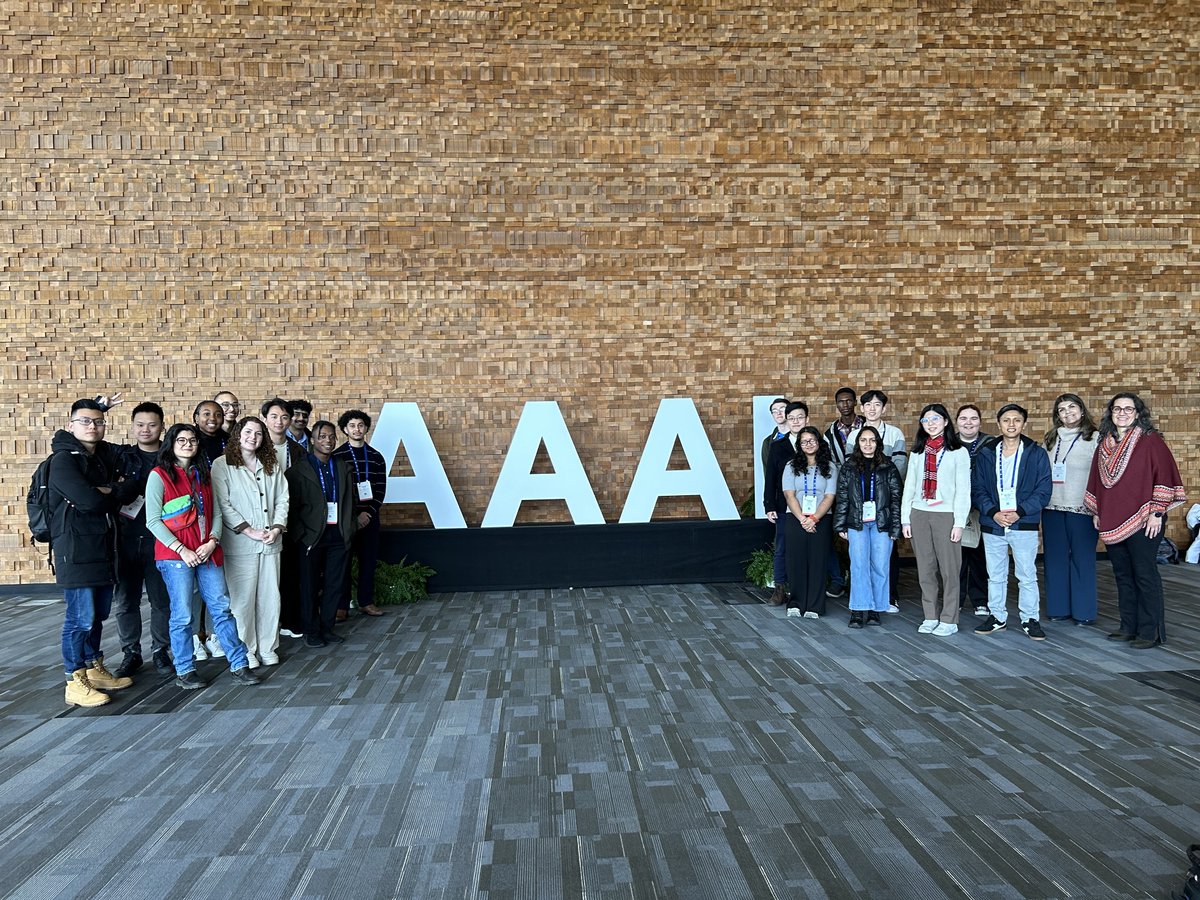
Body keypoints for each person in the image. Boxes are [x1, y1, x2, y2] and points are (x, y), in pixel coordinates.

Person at [144, 423, 261, 690]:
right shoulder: (159, 476)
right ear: (171, 443)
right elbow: (153, 521)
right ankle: (185, 670)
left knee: (221, 609)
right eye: (181, 440)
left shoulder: (202, 474)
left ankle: (239, 664)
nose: (188, 444)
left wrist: (212, 541)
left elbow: (216, 513)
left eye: (193, 440)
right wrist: (181, 549)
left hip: (207, 552)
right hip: (176, 557)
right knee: (183, 615)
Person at [49, 399, 139, 707]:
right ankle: (75, 679)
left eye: (98, 421)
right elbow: (89, 502)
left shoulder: (102, 455)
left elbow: (130, 487)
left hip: (102, 548)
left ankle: (93, 666)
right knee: (80, 618)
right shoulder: (62, 460)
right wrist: (109, 491)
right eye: (86, 421)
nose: (93, 426)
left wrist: (107, 490)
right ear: (71, 424)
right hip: (75, 551)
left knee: (98, 614)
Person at [1084, 393, 1186, 649]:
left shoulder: (1151, 442)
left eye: (1128, 409)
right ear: (1111, 413)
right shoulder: (1104, 444)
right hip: (1112, 519)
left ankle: (1150, 631)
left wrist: (1157, 512)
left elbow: (1164, 477)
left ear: (1138, 413)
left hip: (1145, 519)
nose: (1122, 413)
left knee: (1144, 574)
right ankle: (1128, 626)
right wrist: (1097, 511)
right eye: (1117, 409)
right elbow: (1097, 482)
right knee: (1122, 575)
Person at [212, 416, 290, 668]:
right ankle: (245, 650)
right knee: (241, 600)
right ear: (237, 434)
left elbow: (283, 499)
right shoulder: (222, 465)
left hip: (270, 542)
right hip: (239, 544)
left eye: (258, 433)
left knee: (270, 598)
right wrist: (248, 530)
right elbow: (222, 504)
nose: (252, 437)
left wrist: (277, 528)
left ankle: (268, 646)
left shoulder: (271, 464)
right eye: (247, 432)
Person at [972, 404, 1053, 641]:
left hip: (1023, 522)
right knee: (995, 574)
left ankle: (1030, 619)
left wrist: (1021, 511)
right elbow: (977, 488)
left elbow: (1043, 489)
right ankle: (997, 616)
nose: (1011, 424)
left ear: (1023, 424)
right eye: (1006, 420)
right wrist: (993, 511)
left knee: (1026, 574)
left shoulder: (1035, 453)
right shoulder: (987, 452)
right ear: (998, 424)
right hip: (993, 522)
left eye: (1016, 420)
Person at [111, 401, 174, 678]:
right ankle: (131, 653)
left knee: (161, 600)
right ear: (132, 426)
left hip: (160, 540)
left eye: (152, 424)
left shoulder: (170, 457)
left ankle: (161, 651)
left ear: (162, 426)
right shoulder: (122, 457)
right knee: (126, 600)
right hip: (125, 538)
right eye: (139, 425)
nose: (145, 429)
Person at [285, 420, 358, 647]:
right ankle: (311, 630)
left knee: (334, 584)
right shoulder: (298, 470)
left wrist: (350, 527)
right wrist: (301, 535)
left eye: (331, 437)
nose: (328, 441)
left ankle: (327, 628)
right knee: (309, 586)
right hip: (311, 537)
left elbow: (352, 501)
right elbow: (291, 507)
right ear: (313, 440)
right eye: (322, 437)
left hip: (338, 534)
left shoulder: (342, 466)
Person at [900, 404, 971, 636]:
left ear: (946, 421)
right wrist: (905, 519)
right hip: (919, 513)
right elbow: (909, 486)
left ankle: (949, 618)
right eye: (926, 420)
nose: (930, 423)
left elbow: (963, 490)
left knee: (950, 569)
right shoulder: (918, 453)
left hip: (946, 515)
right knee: (926, 568)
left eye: (935, 419)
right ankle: (930, 615)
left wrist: (959, 522)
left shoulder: (958, 452)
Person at [834, 426, 902, 628]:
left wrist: (896, 527)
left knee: (880, 566)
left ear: (878, 443)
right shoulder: (849, 467)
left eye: (872, 440)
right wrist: (840, 524)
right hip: (857, 522)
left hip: (882, 523)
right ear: (858, 443)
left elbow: (896, 499)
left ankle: (875, 609)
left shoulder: (888, 467)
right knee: (859, 565)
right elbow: (843, 497)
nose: (868, 444)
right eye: (863, 440)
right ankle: (857, 609)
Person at [1042, 394, 1100, 625]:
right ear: (1057, 416)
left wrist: (1099, 509)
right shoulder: (1050, 439)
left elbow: (1102, 475)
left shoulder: (1095, 438)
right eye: (1062, 410)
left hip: (1082, 508)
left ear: (1082, 411)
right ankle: (1058, 608)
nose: (1068, 413)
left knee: (1082, 560)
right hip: (1052, 507)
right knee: (1054, 559)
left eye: (1072, 407)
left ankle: (1084, 612)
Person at [848, 389, 907, 611]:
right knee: (861, 560)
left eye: (877, 404)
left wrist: (889, 497)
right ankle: (864, 603)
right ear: (862, 408)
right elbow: (850, 470)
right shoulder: (855, 436)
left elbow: (899, 468)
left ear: (884, 408)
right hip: (860, 506)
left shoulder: (895, 433)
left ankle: (888, 597)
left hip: (885, 503)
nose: (872, 408)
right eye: (868, 405)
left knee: (886, 556)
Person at [334, 410, 388, 619]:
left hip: (371, 517)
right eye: (352, 425)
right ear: (345, 430)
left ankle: (366, 601)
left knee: (368, 561)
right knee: (343, 562)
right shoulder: (337, 456)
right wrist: (353, 516)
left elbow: (381, 489)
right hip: (346, 519)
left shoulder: (376, 457)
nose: (357, 429)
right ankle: (341, 605)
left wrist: (368, 513)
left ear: (366, 428)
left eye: (361, 425)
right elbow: (336, 491)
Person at [781, 427, 837, 619]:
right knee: (796, 561)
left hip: (821, 518)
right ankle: (795, 603)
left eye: (812, 440)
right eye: (804, 441)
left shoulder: (829, 466)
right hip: (796, 518)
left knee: (817, 562)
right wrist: (803, 518)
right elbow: (789, 495)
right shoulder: (790, 466)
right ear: (799, 445)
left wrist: (814, 518)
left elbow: (829, 496)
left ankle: (814, 605)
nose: (808, 444)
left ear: (819, 442)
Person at [763, 402, 806, 605]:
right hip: (782, 506)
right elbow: (770, 476)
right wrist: (768, 505)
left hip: (810, 506)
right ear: (787, 421)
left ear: (807, 419)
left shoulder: (814, 443)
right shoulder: (778, 446)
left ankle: (805, 589)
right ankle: (780, 589)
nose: (796, 421)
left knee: (808, 547)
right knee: (782, 548)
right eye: (792, 418)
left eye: (800, 417)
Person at [955, 404, 993, 617]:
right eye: (963, 418)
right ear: (956, 421)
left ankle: (980, 599)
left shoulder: (990, 445)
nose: (968, 423)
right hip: (954, 509)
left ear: (980, 421)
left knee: (980, 556)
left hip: (982, 507)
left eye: (973, 418)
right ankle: (956, 598)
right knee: (956, 557)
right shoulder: (949, 444)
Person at [193, 400, 227, 465]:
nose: (212, 418)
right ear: (196, 418)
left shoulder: (230, 441)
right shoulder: (190, 441)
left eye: (218, 415)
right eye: (207, 414)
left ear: (223, 419)